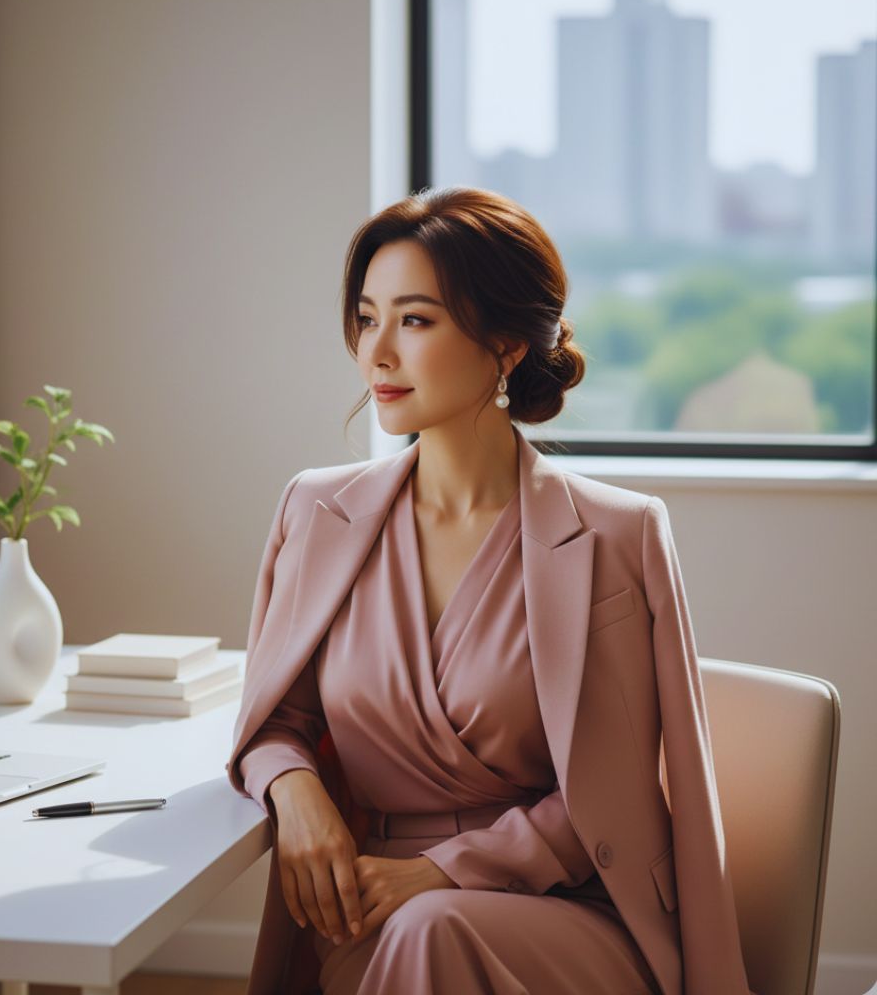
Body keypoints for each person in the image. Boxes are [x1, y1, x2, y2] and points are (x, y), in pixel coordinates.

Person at [226, 186, 755, 995]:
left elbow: (623, 794)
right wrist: (294, 792)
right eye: (368, 319)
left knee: (432, 933)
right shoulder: (315, 510)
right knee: (414, 935)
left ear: (505, 345)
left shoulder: (620, 535)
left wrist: (444, 871)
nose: (377, 354)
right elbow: (273, 723)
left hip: (564, 911)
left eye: (415, 319)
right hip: (366, 905)